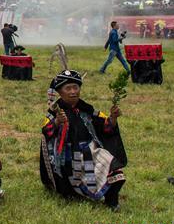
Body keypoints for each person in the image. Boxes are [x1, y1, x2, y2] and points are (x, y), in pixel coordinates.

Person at [40, 70, 127, 210]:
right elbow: (46, 131)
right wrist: (57, 122)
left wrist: (113, 118)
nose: (73, 92)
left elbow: (106, 128)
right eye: (68, 88)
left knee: (113, 166)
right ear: (60, 92)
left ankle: (111, 201)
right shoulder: (55, 112)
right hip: (66, 156)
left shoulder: (87, 109)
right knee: (72, 187)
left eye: (75, 87)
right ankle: (74, 193)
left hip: (90, 151)